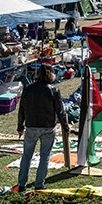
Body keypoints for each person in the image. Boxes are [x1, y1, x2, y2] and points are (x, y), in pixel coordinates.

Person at [17, 64, 69, 192]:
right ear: (51, 75)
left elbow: (21, 109)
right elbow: (60, 110)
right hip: (47, 127)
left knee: (27, 156)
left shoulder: (28, 89)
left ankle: (22, 184)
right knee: (44, 156)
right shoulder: (53, 90)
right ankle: (39, 184)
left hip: (31, 126)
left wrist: (20, 126)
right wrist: (65, 126)